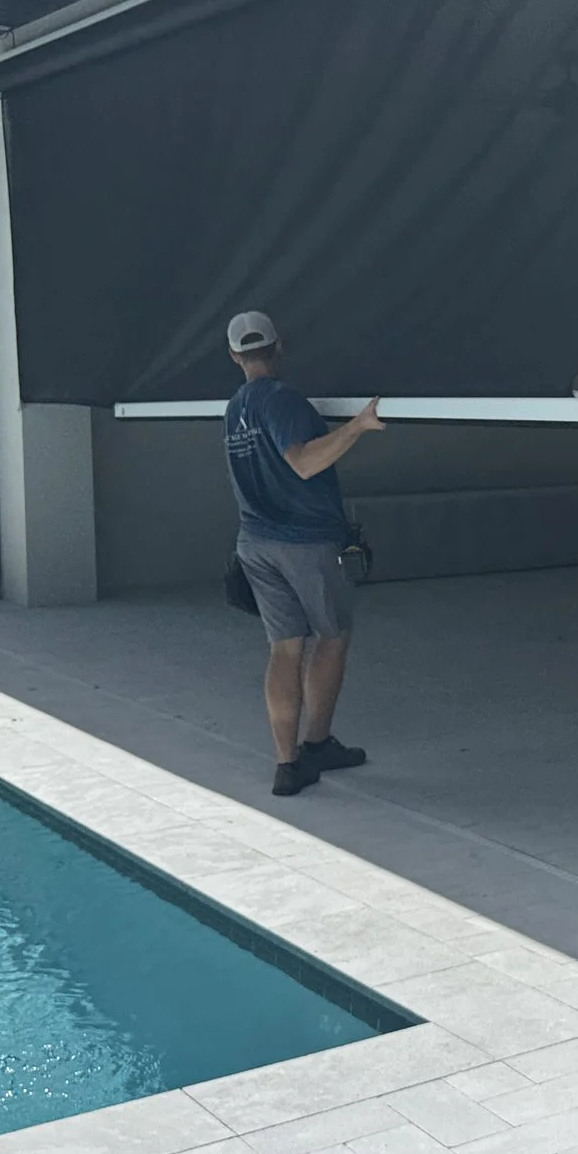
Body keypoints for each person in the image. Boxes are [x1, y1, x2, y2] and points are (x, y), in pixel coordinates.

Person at [224, 311, 385, 797]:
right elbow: (304, 462)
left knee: (284, 648)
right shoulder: (282, 399)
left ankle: (286, 765)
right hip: (305, 543)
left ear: (234, 356)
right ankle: (316, 744)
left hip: (255, 543)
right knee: (332, 637)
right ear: (279, 347)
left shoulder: (235, 408)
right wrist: (357, 426)